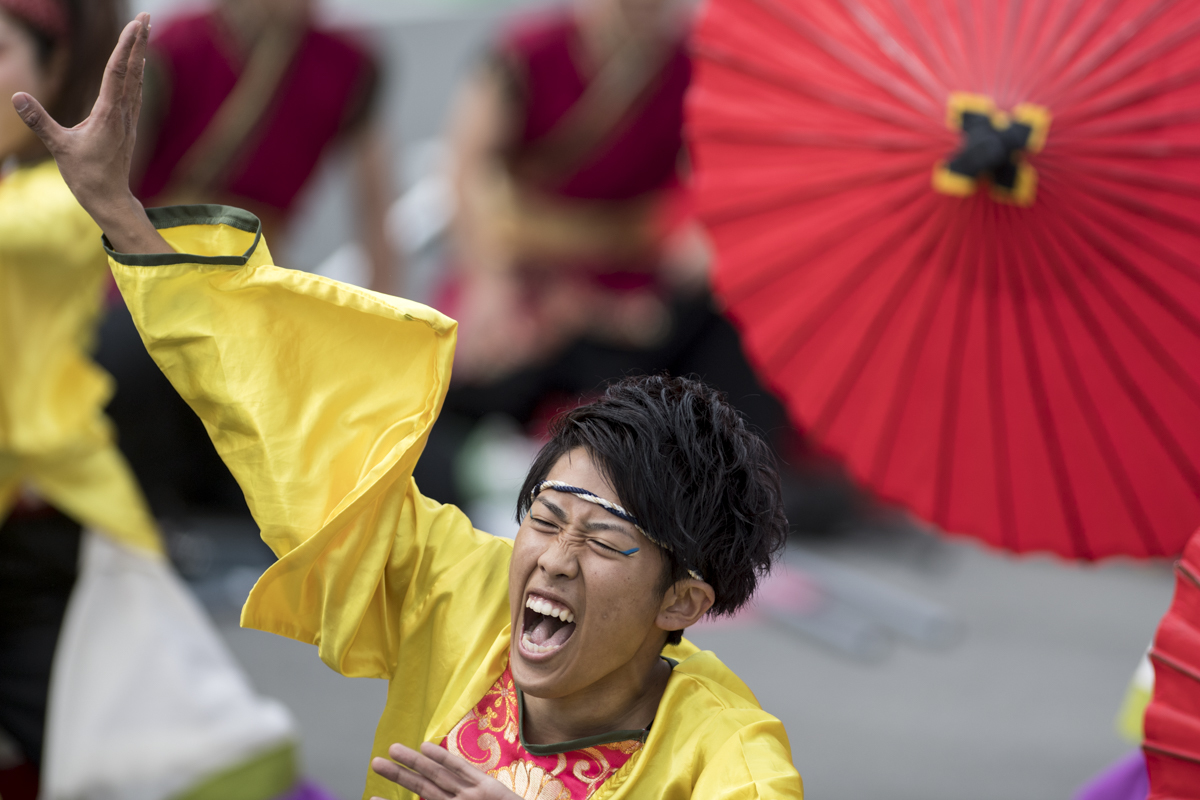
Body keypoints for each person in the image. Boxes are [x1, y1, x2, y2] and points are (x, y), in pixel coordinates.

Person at [13, 15, 806, 798]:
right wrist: (121, 214)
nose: (555, 559)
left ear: (685, 600)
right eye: (548, 515)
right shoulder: (460, 591)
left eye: (602, 541)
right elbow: (291, 422)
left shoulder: (731, 760)